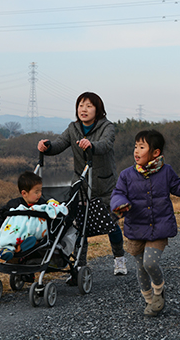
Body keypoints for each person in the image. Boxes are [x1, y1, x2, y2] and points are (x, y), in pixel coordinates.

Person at [111, 130, 180, 317]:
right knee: (140, 267)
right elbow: (118, 193)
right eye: (135, 147)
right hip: (135, 228)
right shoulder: (126, 175)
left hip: (159, 228)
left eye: (142, 147)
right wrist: (119, 204)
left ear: (155, 153)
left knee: (150, 263)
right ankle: (149, 300)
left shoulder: (166, 171)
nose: (136, 151)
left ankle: (158, 291)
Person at [37, 92, 127, 276]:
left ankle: (119, 259)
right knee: (79, 225)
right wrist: (47, 147)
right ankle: (80, 266)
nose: (83, 110)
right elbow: (59, 144)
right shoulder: (73, 127)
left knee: (110, 224)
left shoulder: (107, 126)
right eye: (80, 106)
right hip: (81, 184)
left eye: (88, 106)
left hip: (105, 185)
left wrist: (91, 145)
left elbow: (106, 144)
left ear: (98, 109)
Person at [0, 171, 49, 261]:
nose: (40, 194)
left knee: (36, 240)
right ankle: (8, 250)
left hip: (32, 235)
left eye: (40, 191)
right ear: (24, 193)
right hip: (16, 234)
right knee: (8, 238)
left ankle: (21, 247)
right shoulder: (14, 204)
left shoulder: (42, 204)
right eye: (36, 192)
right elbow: (1, 214)